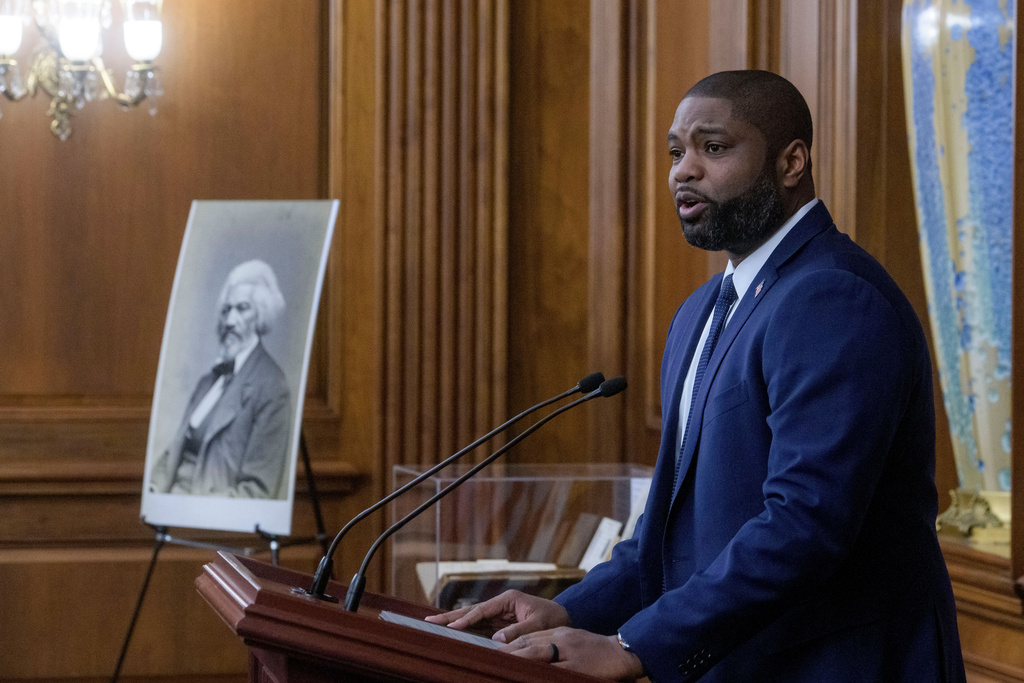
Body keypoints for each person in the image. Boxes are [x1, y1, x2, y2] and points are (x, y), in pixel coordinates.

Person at [426, 70, 966, 682]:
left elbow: (804, 527)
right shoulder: (701, 312)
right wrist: (567, 610)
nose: (683, 170)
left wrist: (632, 646)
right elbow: (673, 534)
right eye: (676, 152)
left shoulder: (833, 298)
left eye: (713, 148)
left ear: (792, 162)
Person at [150, 259, 292, 500]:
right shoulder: (208, 382)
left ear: (261, 316)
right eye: (226, 310)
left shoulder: (272, 387)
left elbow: (258, 490)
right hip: (171, 509)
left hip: (209, 522)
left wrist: (197, 511)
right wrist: (152, 489)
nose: (229, 321)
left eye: (242, 308)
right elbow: (174, 450)